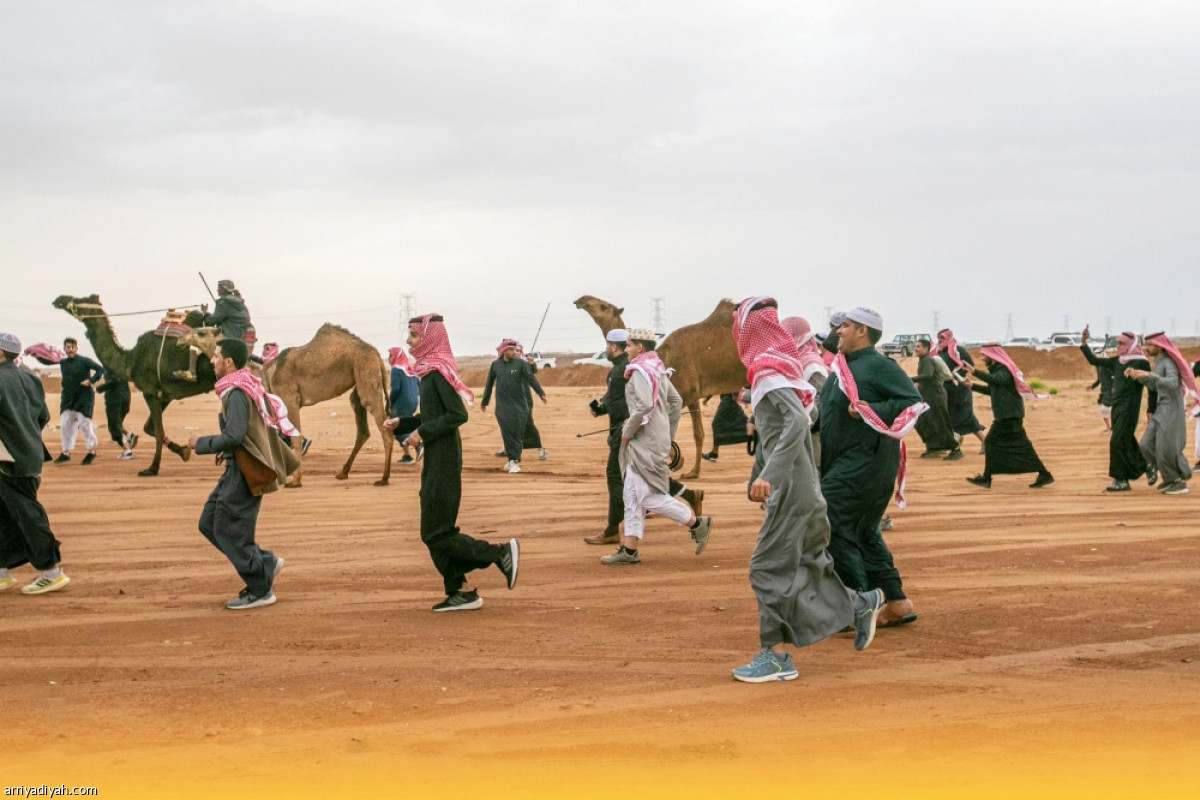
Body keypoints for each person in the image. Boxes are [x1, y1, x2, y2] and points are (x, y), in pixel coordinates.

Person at [728, 298, 885, 682]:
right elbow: (798, 421)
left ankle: (776, 658)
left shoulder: (767, 370)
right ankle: (860, 603)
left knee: (767, 569)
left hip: (793, 491)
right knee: (809, 565)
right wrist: (763, 473)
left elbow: (797, 422)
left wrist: (771, 475)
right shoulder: (788, 368)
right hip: (806, 488)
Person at [384, 314, 518, 611]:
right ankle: (460, 591)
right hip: (438, 456)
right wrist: (404, 422)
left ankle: (498, 554)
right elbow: (432, 417)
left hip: (444, 459)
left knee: (435, 532)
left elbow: (458, 415)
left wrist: (422, 432)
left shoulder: (435, 374)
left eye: (414, 336)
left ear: (429, 339)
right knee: (436, 531)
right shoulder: (428, 373)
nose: (408, 341)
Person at [817, 307, 924, 628]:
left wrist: (870, 409)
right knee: (863, 531)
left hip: (867, 461)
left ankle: (860, 603)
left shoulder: (879, 366)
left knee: (828, 521)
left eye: (846, 326)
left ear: (862, 331)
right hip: (845, 461)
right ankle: (897, 602)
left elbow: (912, 402)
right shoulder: (844, 368)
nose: (839, 331)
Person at [187, 339, 299, 609]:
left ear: (228, 362)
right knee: (209, 522)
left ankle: (261, 588)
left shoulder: (236, 392)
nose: (212, 361)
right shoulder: (235, 388)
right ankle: (265, 562)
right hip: (235, 467)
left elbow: (234, 434)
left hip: (244, 472)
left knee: (229, 530)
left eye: (216, 356)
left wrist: (200, 443)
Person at [600, 328, 713, 565]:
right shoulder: (657, 368)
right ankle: (630, 550)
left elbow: (642, 406)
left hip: (644, 442)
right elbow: (676, 402)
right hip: (654, 439)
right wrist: (667, 433)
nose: (627, 349)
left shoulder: (640, 371)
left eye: (629, 345)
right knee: (631, 493)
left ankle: (696, 523)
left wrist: (627, 432)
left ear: (640, 347)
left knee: (645, 497)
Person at [0, 332, 71, 595]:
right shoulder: (29, 376)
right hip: (28, 453)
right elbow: (43, 416)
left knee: (28, 515)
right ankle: (3, 572)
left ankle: (51, 572)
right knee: (5, 514)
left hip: (8, 459)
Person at [963, 344, 1054, 489]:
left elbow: (997, 380)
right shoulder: (997, 371)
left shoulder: (1004, 369)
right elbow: (992, 390)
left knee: (991, 442)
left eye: (984, 355)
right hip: (1008, 415)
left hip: (1009, 416)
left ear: (992, 356)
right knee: (1022, 446)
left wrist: (974, 372)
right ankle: (1044, 474)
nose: (982, 358)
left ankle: (986, 478)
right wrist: (972, 386)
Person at [1079, 329, 1150, 491]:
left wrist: (1151, 408)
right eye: (1118, 343)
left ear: (1131, 344)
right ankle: (1146, 466)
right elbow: (1094, 360)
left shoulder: (1141, 363)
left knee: (1116, 442)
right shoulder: (1117, 361)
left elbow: (1152, 387)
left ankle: (1121, 480)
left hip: (1130, 408)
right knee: (1126, 440)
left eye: (1122, 343)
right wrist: (1084, 343)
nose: (1118, 346)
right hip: (1116, 407)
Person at [1126, 332, 1194, 495]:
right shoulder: (1159, 362)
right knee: (1145, 445)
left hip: (1172, 409)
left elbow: (1171, 384)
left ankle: (1176, 481)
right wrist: (1137, 375)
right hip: (1162, 409)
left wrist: (1149, 374)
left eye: (1149, 345)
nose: (1147, 348)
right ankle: (1167, 473)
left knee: (1167, 448)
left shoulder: (1168, 362)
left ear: (1159, 346)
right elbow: (1156, 385)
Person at [481, 338, 547, 474]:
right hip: (502, 406)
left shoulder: (521, 364)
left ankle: (515, 459)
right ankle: (512, 456)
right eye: (511, 349)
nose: (514, 352)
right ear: (504, 350)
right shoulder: (496, 365)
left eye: (516, 350)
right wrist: (484, 401)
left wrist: (541, 393)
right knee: (507, 432)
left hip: (521, 404)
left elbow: (531, 377)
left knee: (521, 430)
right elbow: (489, 384)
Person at [176, 279, 254, 382]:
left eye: (219, 288)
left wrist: (205, 313)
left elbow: (212, 321)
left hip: (227, 334)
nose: (217, 290)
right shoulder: (240, 303)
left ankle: (192, 372)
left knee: (195, 343)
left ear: (224, 289)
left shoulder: (223, 302)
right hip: (240, 334)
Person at [932, 329, 987, 452]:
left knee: (965, 416)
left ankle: (977, 442)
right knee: (955, 416)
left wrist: (957, 374)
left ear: (949, 338)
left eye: (942, 338)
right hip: (948, 389)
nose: (940, 340)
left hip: (960, 388)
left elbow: (969, 365)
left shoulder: (958, 350)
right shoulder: (941, 352)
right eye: (939, 338)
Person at [55, 337, 104, 465]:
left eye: (72, 347)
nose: (70, 349)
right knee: (66, 424)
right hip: (68, 398)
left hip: (83, 397)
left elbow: (100, 369)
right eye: (67, 347)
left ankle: (91, 451)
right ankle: (65, 452)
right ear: (64, 348)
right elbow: (49, 359)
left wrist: (91, 381)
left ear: (76, 348)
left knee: (85, 424)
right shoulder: (63, 363)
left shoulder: (84, 361)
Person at [912, 339, 963, 460]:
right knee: (926, 422)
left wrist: (910, 379)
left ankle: (956, 449)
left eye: (918, 346)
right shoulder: (923, 360)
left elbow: (928, 375)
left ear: (925, 348)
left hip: (935, 396)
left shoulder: (928, 360)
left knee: (941, 423)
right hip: (929, 397)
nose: (916, 349)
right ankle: (934, 448)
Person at [388, 347, 422, 465]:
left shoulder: (396, 370)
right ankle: (407, 456)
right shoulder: (410, 369)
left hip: (402, 402)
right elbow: (420, 385)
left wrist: (390, 402)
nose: (389, 358)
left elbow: (396, 388)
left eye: (391, 356)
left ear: (397, 357)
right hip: (412, 402)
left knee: (396, 427)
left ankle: (418, 445)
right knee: (406, 425)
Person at [96, 373, 138, 459]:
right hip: (125, 398)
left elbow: (115, 380)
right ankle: (129, 435)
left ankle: (126, 451)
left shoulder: (111, 366)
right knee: (116, 423)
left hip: (115, 401)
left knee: (114, 427)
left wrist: (99, 389)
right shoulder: (120, 366)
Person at [701, 393, 750, 461]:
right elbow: (718, 385)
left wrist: (707, 398)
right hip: (729, 398)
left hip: (729, 399)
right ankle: (714, 453)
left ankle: (714, 453)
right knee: (741, 420)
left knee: (717, 424)